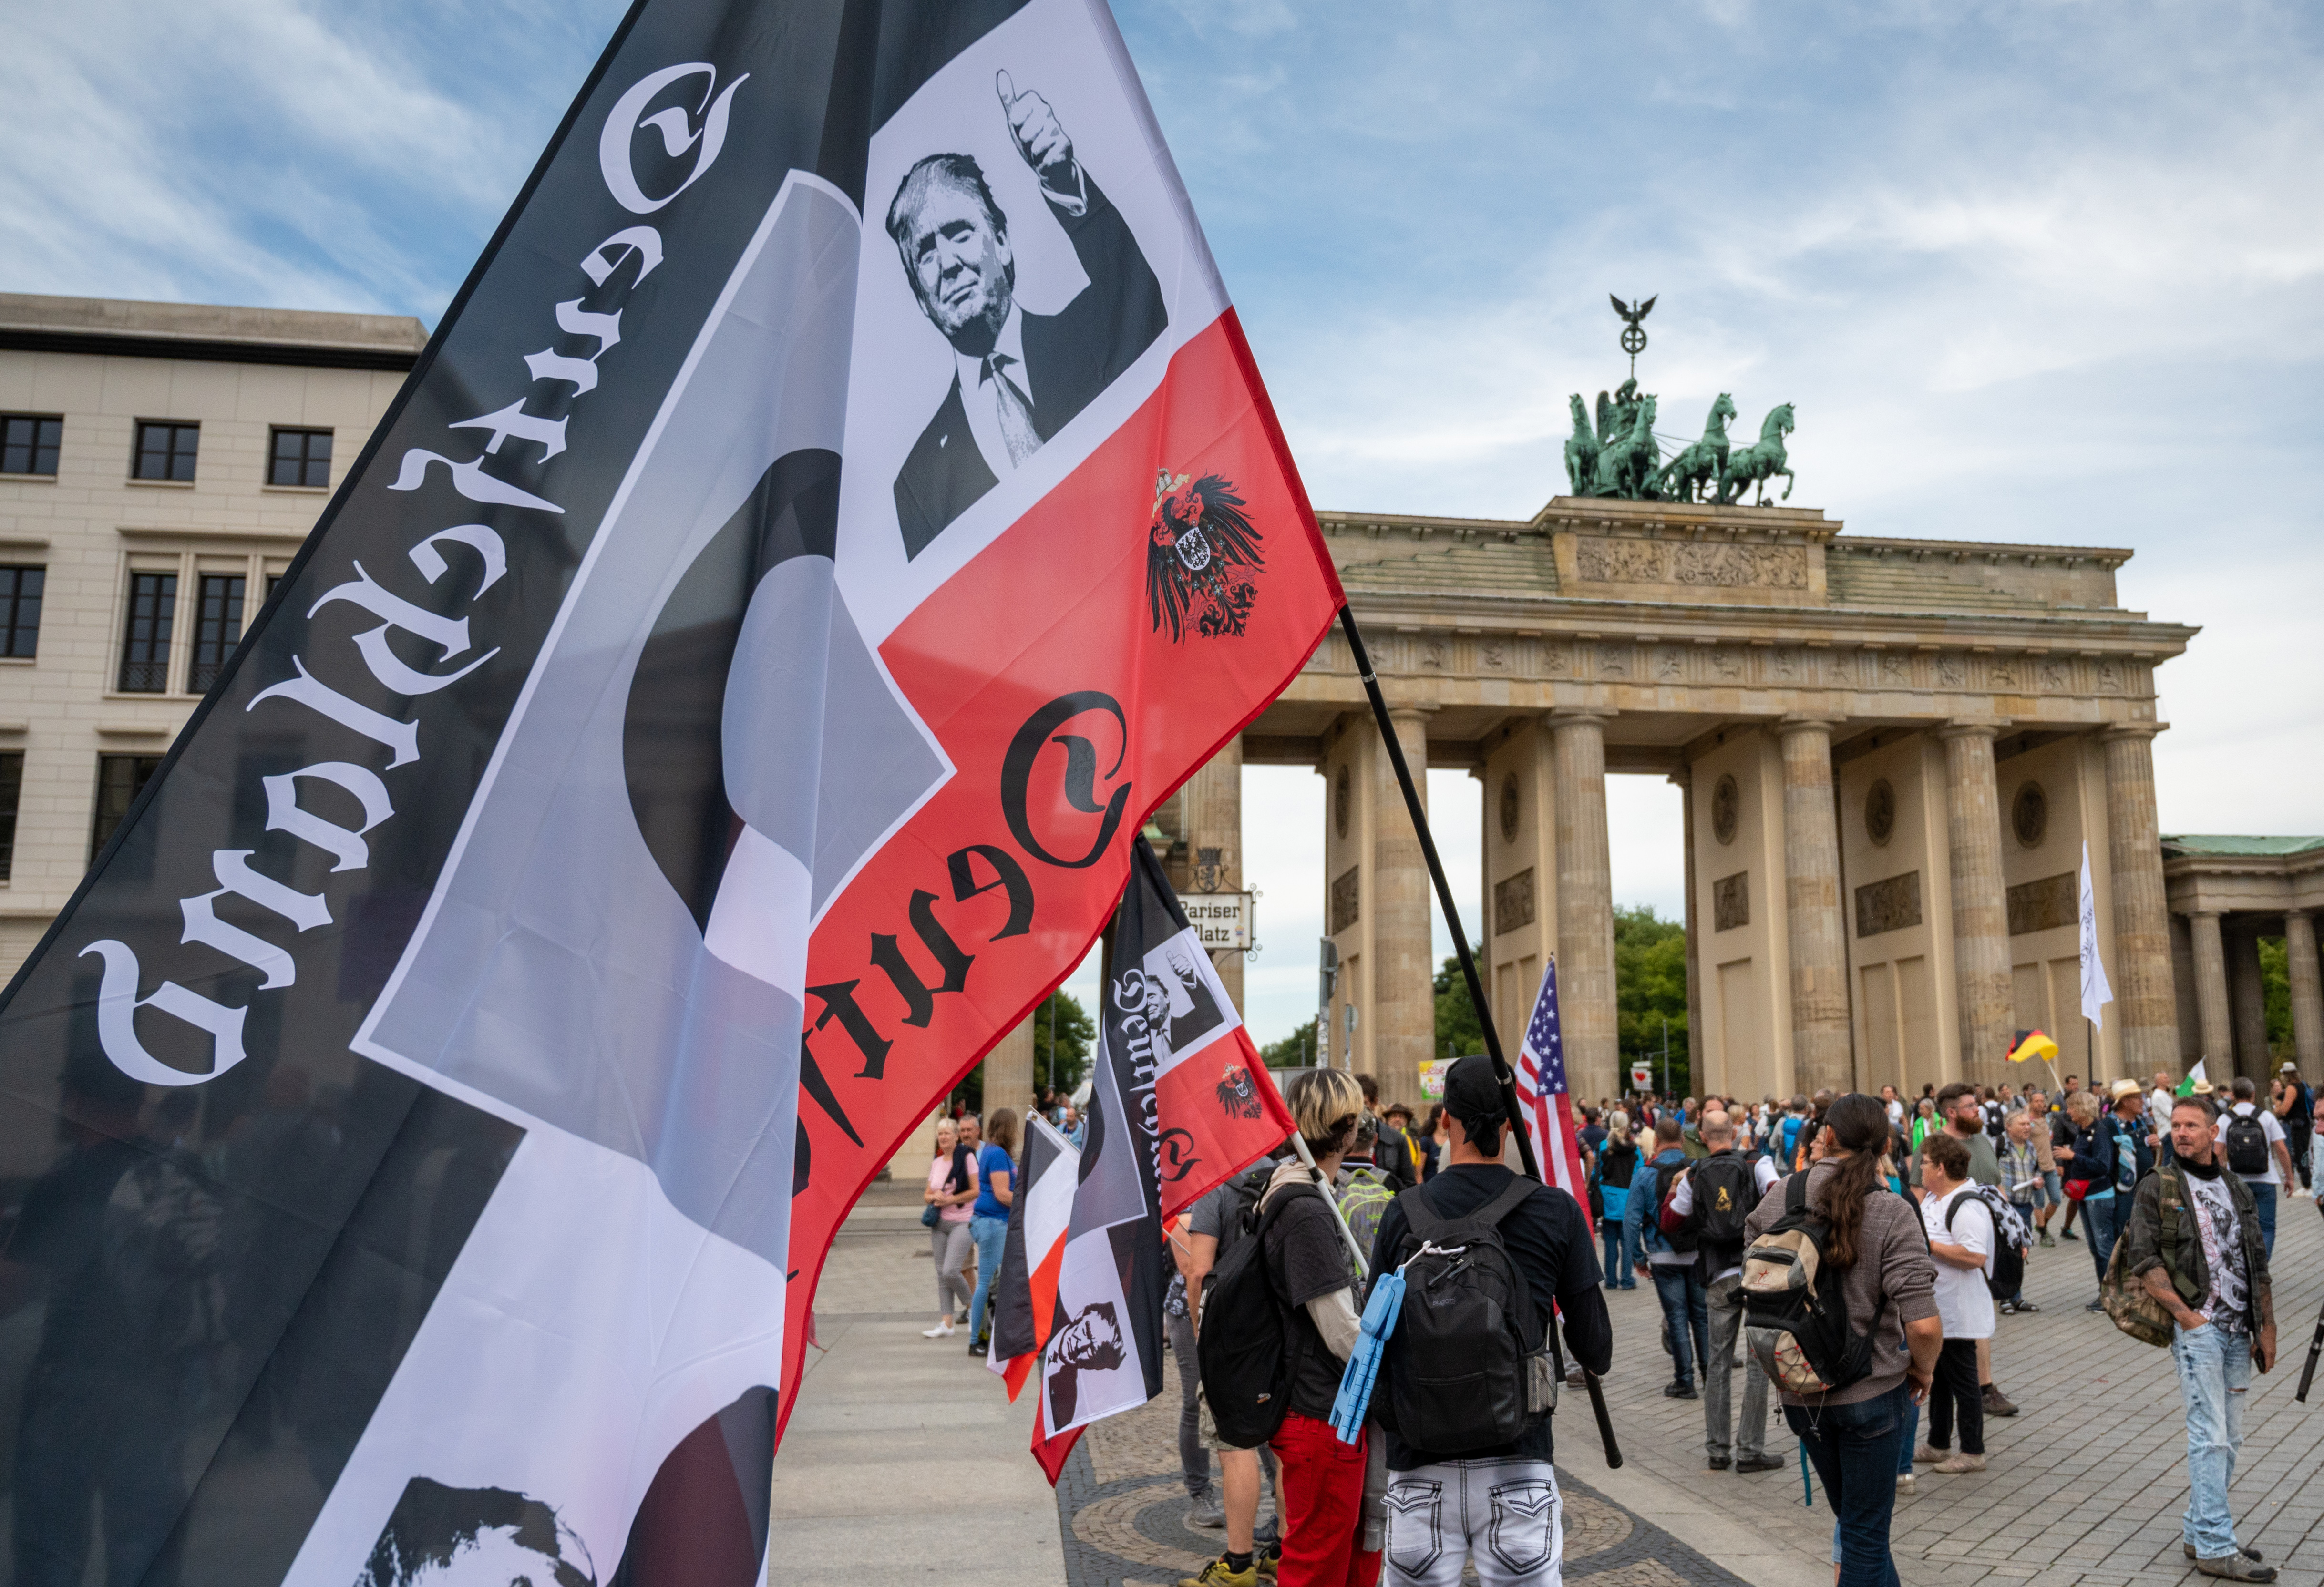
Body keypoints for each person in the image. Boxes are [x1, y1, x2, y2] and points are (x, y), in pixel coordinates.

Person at [884, 75, 1167, 559]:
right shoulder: (917, 481)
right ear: (919, 297)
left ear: (1003, 242)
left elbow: (1135, 295)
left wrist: (1060, 176)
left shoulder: (1094, 332)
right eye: (926, 253)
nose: (948, 262)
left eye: (958, 232)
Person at [1367, 1055, 1612, 1587]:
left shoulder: (1402, 1211)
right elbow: (1596, 1349)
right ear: (1508, 1124)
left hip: (1418, 1466)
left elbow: (1373, 1338)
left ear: (1445, 1121)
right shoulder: (1556, 1210)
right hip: (1518, 1461)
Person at [1743, 1094, 1941, 1587]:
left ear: (1826, 1135)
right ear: (1885, 1145)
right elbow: (1922, 1324)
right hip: (1870, 1394)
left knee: (1857, 1530)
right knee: (1864, 1536)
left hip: (1799, 1388)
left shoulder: (1780, 1195)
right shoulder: (1891, 1209)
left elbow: (1749, 1273)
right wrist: (1924, 1368)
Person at [2123, 1095, 2278, 1582]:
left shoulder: (2235, 1186)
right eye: (2176, 1124)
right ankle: (2213, 1543)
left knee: (2228, 1437)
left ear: (2215, 1132)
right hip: (2199, 1330)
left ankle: (2197, 1528)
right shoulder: (2159, 1184)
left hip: (2238, 1329)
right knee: (2208, 1435)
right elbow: (2142, 1258)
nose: (2181, 1132)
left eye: (2192, 1124)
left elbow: (2256, 1258)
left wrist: (2266, 1324)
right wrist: (2186, 1317)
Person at [1260, 1069, 1371, 1587]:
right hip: (1321, 1411)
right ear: (1347, 1127)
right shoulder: (1304, 1208)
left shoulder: (1302, 1191)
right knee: (1315, 1565)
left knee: (1334, 1555)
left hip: (1321, 1410)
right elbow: (1341, 1331)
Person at [1180, 1163, 1285, 1585]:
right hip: (1279, 1332)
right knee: (1281, 1444)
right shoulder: (1284, 1175)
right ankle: (1283, 1548)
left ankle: (1238, 1563)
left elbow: (1198, 1271)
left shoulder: (1215, 1185)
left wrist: (1199, 1334)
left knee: (1234, 1445)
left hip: (1231, 1335)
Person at [1663, 1109, 1782, 1473]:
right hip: (1758, 1270)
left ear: (1702, 1134)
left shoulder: (1694, 1174)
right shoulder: (1757, 1162)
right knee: (1760, 1360)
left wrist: (1675, 1184)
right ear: (1736, 1131)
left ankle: (1717, 1449)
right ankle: (1750, 1450)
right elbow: (1780, 1198)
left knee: (1718, 1361)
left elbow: (1670, 1220)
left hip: (1717, 1274)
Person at [1912, 1133, 1992, 1474]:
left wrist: (1927, 1244)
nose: (1921, 1168)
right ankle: (1939, 1442)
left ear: (1941, 1168)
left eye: (1926, 1163)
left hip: (1959, 1311)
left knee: (1964, 1383)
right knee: (1939, 1377)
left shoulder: (1966, 1204)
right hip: (1939, 1307)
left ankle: (1973, 1451)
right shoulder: (1934, 1199)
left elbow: (1975, 1256)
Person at [1640, 1118, 1708, 1400]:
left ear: (1656, 1142)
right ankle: (1711, 1377)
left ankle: (1685, 1381)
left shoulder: (1645, 1174)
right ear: (1682, 1139)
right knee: (1701, 1318)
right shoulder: (1697, 1168)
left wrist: (1637, 1257)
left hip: (1662, 1254)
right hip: (1695, 1253)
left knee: (1677, 1319)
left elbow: (1633, 1219)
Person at [2218, 1077, 2294, 1257]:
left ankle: (2244, 1270)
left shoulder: (2224, 1119)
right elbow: (2282, 1150)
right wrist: (2289, 1177)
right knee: (2266, 1227)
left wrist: (2223, 1176)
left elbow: (2218, 1151)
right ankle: (2261, 1270)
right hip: (2266, 1180)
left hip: (2236, 1182)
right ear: (2253, 1095)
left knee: (2238, 1228)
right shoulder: (2265, 1116)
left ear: (2233, 1096)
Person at [967, 1110, 1018, 1352]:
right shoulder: (997, 1154)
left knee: (991, 1283)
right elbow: (1002, 1194)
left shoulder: (992, 1151)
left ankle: (986, 1335)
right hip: (993, 1223)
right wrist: (1028, 1199)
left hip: (990, 1222)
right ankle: (977, 1340)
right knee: (987, 1283)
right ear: (1008, 1129)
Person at [923, 1119, 977, 1338]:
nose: (943, 1137)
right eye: (940, 1133)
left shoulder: (967, 1157)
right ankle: (947, 1322)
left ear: (956, 1136)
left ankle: (974, 1308)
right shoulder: (937, 1162)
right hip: (939, 1223)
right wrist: (934, 1197)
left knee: (951, 1270)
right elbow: (926, 1194)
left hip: (962, 1220)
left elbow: (975, 1191)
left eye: (947, 1133)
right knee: (940, 1273)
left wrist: (950, 1199)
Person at [1995, 1112, 2042, 1315]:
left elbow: (2037, 1170)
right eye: (2022, 1124)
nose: (2027, 1127)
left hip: (2025, 1206)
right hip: (2005, 1208)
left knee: (2022, 1251)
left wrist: (2038, 1180)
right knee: (2006, 1252)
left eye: (2028, 1124)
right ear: (2009, 1127)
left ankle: (2017, 1297)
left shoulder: (2031, 1146)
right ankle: (2004, 1298)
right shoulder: (1998, 1145)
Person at [1593, 1112, 1642, 1287]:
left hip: (1608, 1197)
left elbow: (1596, 1172)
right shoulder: (1634, 1148)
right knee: (1627, 1241)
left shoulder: (1604, 1145)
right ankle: (1627, 1279)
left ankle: (1611, 1280)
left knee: (1610, 1241)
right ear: (1626, 1125)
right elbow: (1640, 1172)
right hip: (1628, 1196)